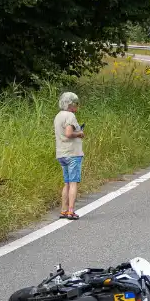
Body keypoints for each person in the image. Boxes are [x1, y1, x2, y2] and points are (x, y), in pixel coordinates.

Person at [54, 91, 85, 220]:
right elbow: (68, 133)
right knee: (73, 183)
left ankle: (63, 210)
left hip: (61, 153)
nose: (76, 107)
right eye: (75, 104)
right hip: (72, 153)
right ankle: (71, 211)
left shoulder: (58, 116)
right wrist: (80, 133)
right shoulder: (70, 116)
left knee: (66, 183)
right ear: (70, 104)